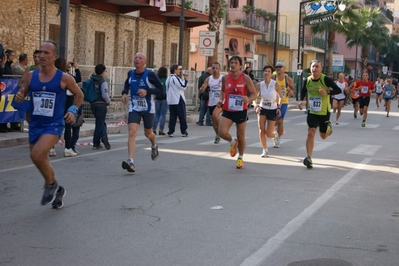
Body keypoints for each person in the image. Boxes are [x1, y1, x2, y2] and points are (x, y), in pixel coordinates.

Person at [14, 40, 83, 209]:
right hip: (35, 123)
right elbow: (21, 90)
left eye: (46, 53)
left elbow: (79, 95)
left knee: (37, 155)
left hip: (54, 124)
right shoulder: (31, 75)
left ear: (54, 56)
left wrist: (73, 110)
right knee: (41, 159)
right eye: (40, 52)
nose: (41, 56)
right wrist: (20, 95)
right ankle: (57, 189)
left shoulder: (64, 78)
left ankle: (50, 185)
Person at [121, 52, 163, 172]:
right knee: (132, 132)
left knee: (148, 133)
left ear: (144, 62)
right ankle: (131, 161)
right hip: (134, 107)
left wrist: (147, 91)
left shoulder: (150, 74)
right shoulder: (131, 73)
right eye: (135, 58)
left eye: (140, 58)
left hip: (148, 108)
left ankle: (154, 145)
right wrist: (124, 93)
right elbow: (126, 84)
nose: (137, 60)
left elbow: (160, 90)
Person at [297, 60, 341, 169]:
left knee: (323, 136)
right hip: (312, 111)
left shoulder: (325, 79)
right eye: (313, 66)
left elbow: (338, 90)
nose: (314, 68)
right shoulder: (307, 80)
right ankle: (308, 157)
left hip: (324, 112)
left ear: (321, 69)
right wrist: (301, 100)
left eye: (317, 66)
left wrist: (327, 92)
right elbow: (303, 90)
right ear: (310, 68)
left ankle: (328, 129)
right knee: (311, 133)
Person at [218, 56, 257, 169]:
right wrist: (221, 100)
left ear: (240, 65)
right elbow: (222, 91)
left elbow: (254, 94)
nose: (233, 64)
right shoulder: (225, 78)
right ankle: (232, 142)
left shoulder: (245, 78)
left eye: (235, 62)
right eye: (231, 62)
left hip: (241, 110)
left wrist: (248, 99)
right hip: (228, 109)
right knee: (222, 132)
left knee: (241, 136)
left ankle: (240, 157)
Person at [54, 57, 83, 157]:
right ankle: (68, 148)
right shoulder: (66, 77)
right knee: (67, 126)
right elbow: (78, 79)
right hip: (67, 102)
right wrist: (76, 68)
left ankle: (51, 148)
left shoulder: (53, 76)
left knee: (54, 125)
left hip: (57, 103)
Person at [253, 65, 283, 157]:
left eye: (268, 71)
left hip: (272, 109)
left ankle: (275, 136)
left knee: (268, 133)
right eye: (265, 71)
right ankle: (265, 150)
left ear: (271, 74)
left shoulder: (275, 84)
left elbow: (281, 97)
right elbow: (255, 96)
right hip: (262, 109)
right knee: (261, 130)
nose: (266, 72)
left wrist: (278, 107)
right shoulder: (259, 85)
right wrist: (255, 105)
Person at [199, 62, 223, 143]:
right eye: (213, 68)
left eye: (216, 68)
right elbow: (203, 88)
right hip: (212, 101)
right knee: (213, 120)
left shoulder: (223, 78)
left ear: (219, 69)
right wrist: (201, 89)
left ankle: (222, 128)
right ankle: (217, 134)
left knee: (216, 115)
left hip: (221, 101)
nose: (215, 70)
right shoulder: (208, 79)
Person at [272, 61, 295, 148]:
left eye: (280, 67)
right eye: (277, 67)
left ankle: (278, 138)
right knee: (273, 121)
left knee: (280, 120)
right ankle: (275, 131)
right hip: (273, 102)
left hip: (283, 102)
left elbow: (293, 90)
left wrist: (291, 91)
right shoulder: (273, 78)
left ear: (284, 68)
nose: (278, 68)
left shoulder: (288, 79)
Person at [89, 64, 111, 149]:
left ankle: (102, 137)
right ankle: (97, 142)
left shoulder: (91, 80)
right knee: (100, 123)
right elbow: (105, 95)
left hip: (93, 104)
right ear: (102, 72)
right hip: (101, 104)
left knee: (100, 122)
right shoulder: (103, 81)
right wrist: (109, 101)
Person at [166, 64, 189, 137]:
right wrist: (185, 79)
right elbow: (183, 86)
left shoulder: (168, 78)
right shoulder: (175, 78)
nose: (180, 71)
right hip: (178, 99)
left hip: (171, 100)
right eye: (178, 69)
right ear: (175, 70)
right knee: (182, 116)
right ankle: (184, 131)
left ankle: (171, 131)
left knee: (172, 117)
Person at [152, 66, 168, 135]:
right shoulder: (166, 80)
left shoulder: (156, 79)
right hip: (165, 98)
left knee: (156, 114)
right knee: (163, 114)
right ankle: (161, 129)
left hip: (157, 98)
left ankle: (154, 129)